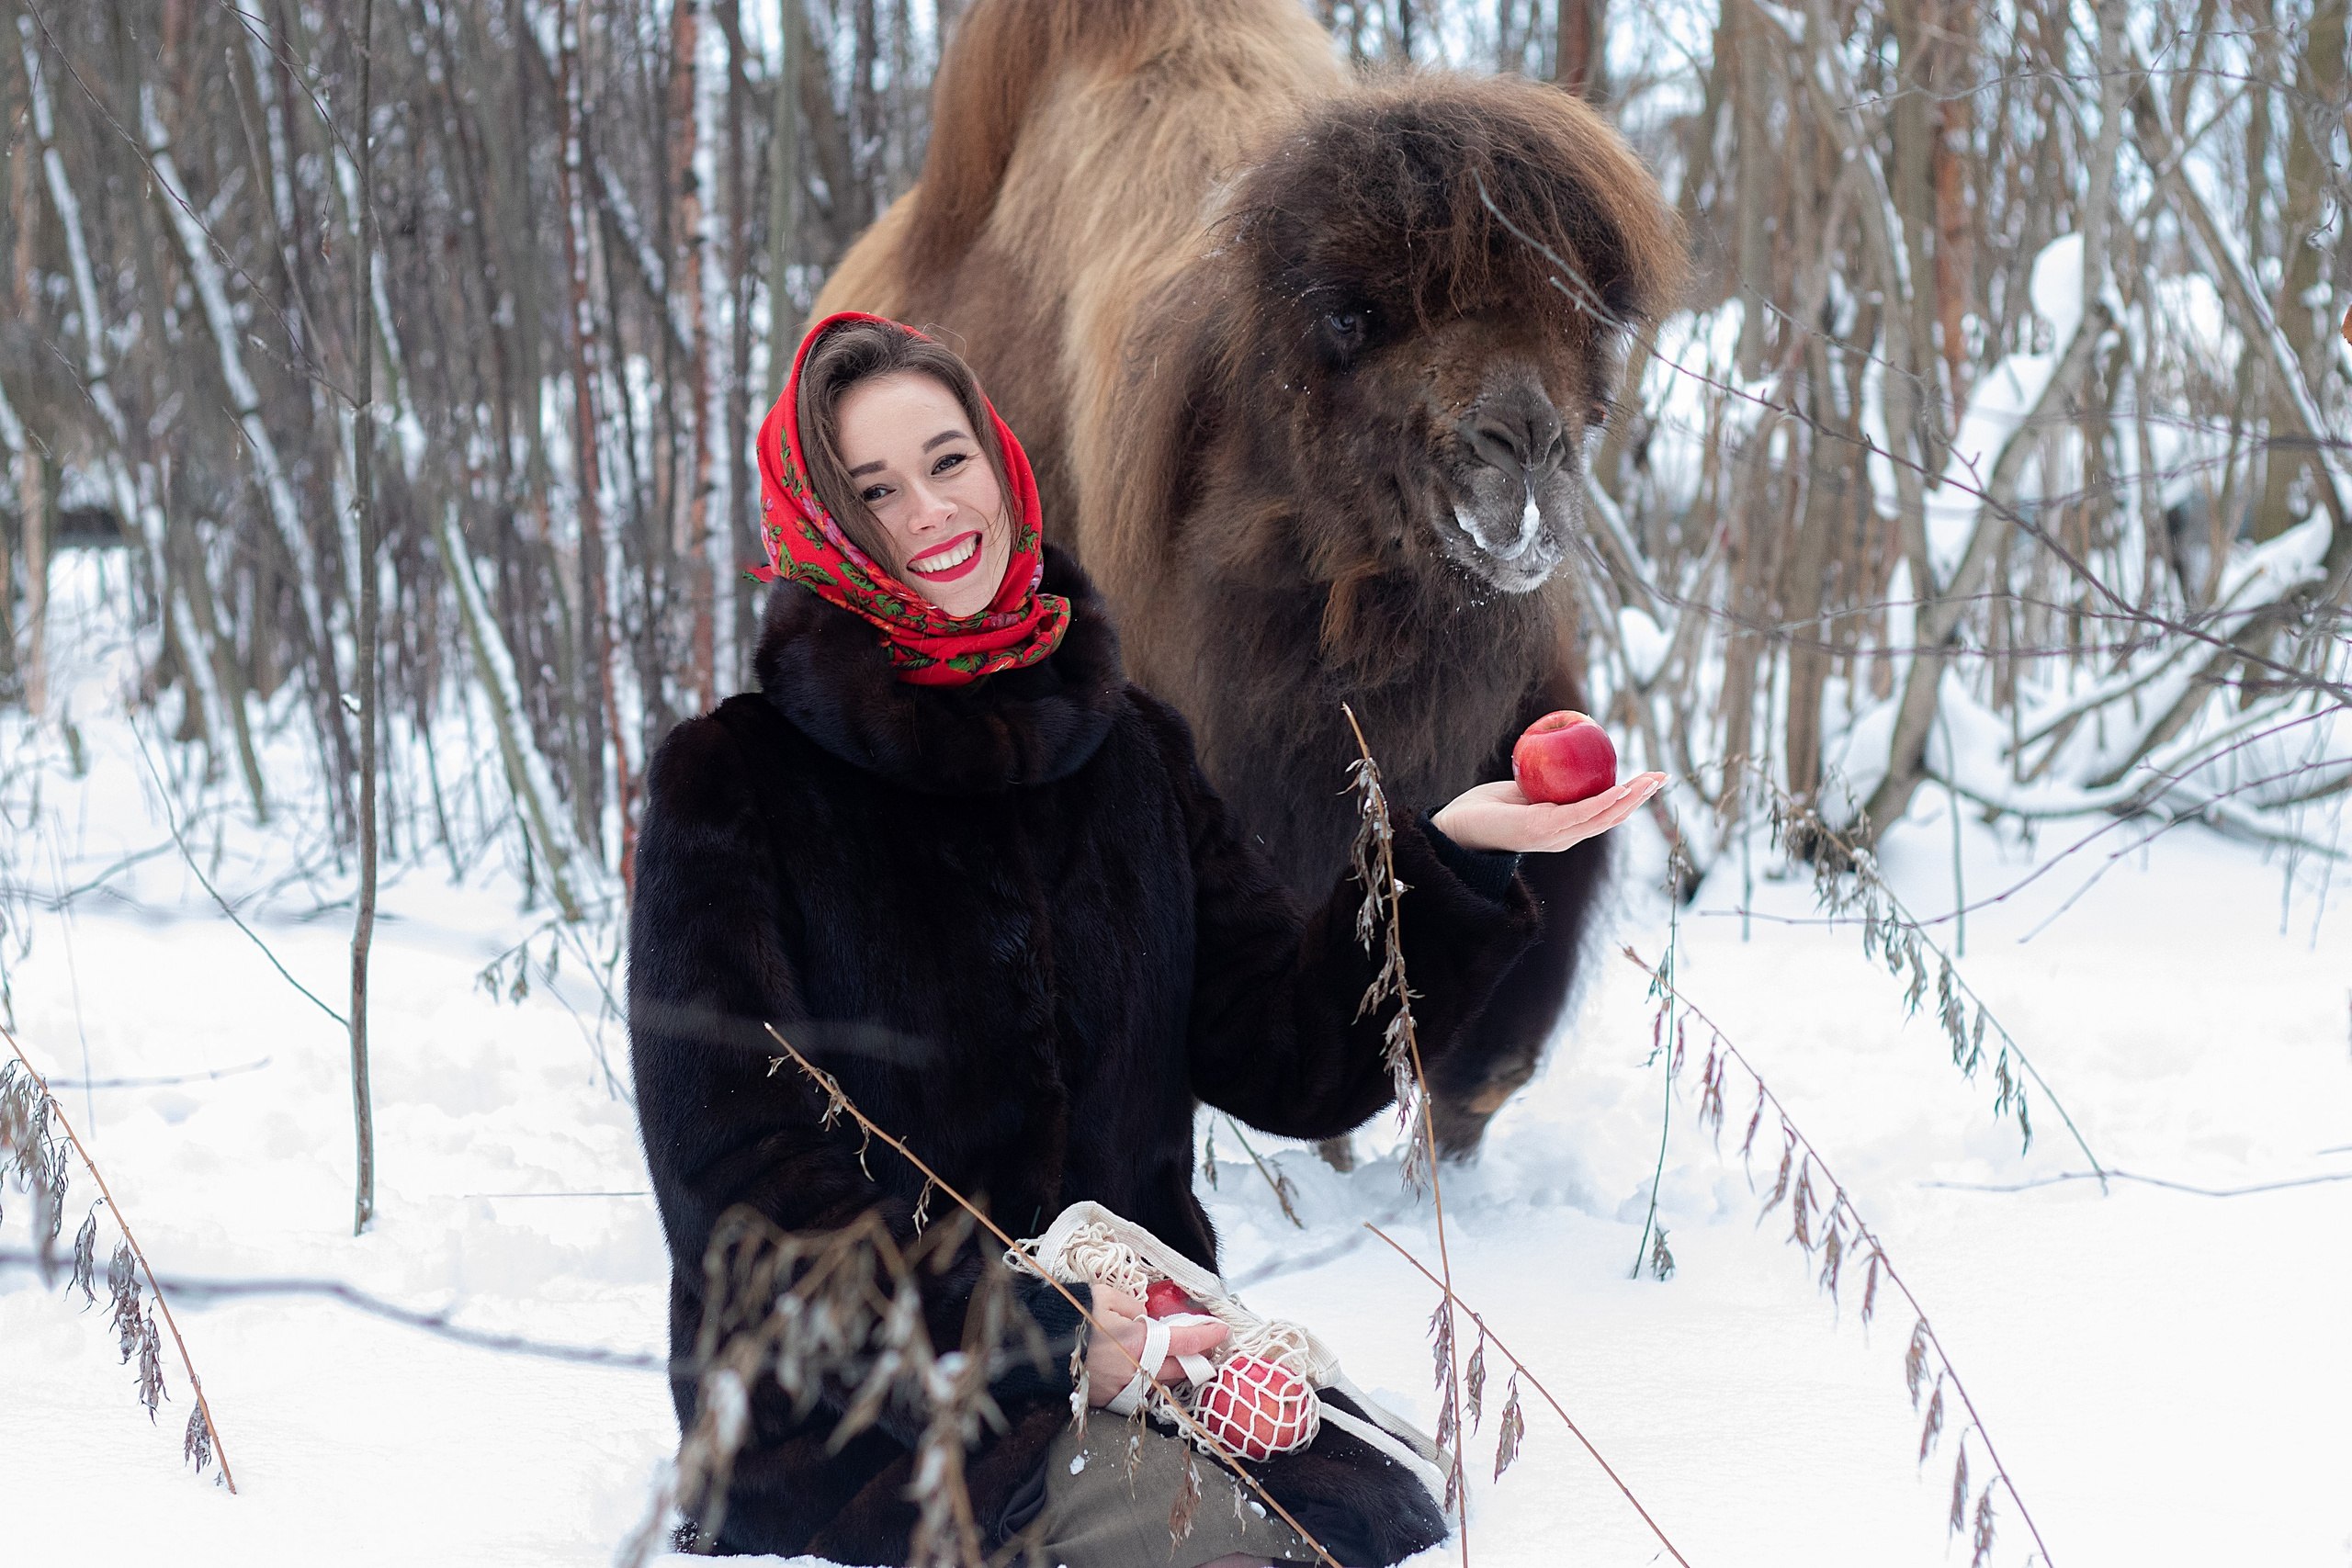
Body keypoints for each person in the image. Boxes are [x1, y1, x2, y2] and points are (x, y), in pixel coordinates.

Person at [628, 313, 1665, 1566]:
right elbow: (735, 1185)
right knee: (1230, 1550)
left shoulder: (1124, 748)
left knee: (1383, 1514)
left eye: (947, 461)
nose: (929, 511)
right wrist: (1027, 1327)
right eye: (874, 491)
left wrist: (1444, 856)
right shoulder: (736, 784)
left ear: (1002, 463)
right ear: (825, 528)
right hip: (865, 1415)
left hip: (1149, 1353)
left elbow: (1294, 1058)